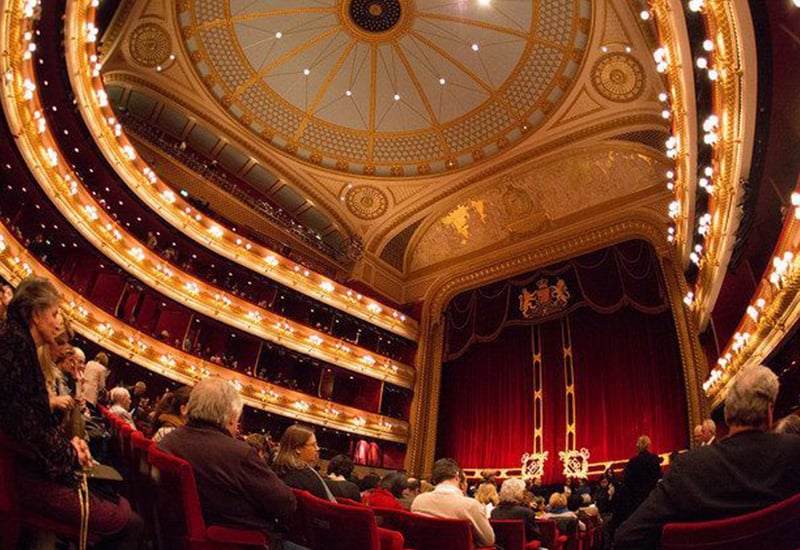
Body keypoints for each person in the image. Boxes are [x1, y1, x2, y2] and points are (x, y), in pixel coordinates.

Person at [0, 276, 142, 548]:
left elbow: (32, 420)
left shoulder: (19, 343)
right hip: (20, 475)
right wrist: (70, 452)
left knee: (120, 504)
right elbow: (24, 427)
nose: (57, 322)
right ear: (34, 313)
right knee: (129, 522)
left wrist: (68, 444)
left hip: (25, 466)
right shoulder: (15, 346)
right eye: (53, 314)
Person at [615, 365, 800, 548]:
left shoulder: (688, 469)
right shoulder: (793, 452)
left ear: (727, 415)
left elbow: (626, 537)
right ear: (769, 412)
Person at [158, 377, 295, 542]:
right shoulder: (239, 455)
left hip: (176, 536)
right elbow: (286, 505)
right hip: (237, 542)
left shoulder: (168, 441)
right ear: (231, 417)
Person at [411, 458, 495, 547]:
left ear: (435, 480)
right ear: (457, 476)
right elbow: (489, 541)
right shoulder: (470, 505)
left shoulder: (418, 501)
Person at [273, 424, 335, 501]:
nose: (317, 448)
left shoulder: (275, 469)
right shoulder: (308, 477)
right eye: (313, 445)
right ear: (298, 448)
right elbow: (326, 505)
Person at [491, 478, 541, 543]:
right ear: (518, 493)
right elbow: (535, 537)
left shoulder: (494, 512)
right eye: (524, 491)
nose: (525, 494)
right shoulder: (526, 513)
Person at [622, 435, 661, 513]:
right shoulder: (654, 458)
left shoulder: (633, 461)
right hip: (651, 494)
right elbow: (658, 474)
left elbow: (627, 479)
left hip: (637, 497)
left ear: (638, 446)